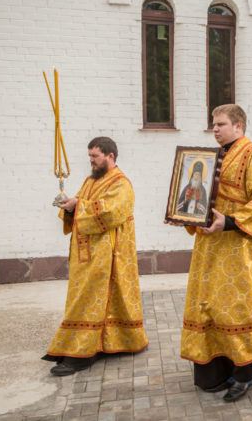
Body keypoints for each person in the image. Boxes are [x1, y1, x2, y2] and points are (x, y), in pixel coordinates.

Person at [171, 104, 252, 402]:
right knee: (210, 306)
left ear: (239, 126)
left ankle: (244, 374)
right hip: (210, 247)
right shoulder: (210, 158)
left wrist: (230, 221)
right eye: (213, 123)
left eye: (221, 124)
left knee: (239, 307)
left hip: (240, 247)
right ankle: (214, 371)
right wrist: (187, 211)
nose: (215, 128)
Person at [43, 137, 148, 376]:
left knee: (91, 300)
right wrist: (70, 204)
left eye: (95, 156)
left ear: (110, 156)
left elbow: (112, 212)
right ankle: (102, 344)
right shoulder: (90, 180)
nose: (91, 160)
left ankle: (82, 352)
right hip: (86, 254)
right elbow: (81, 202)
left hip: (108, 255)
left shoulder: (122, 184)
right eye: (90, 156)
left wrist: (78, 206)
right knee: (84, 298)